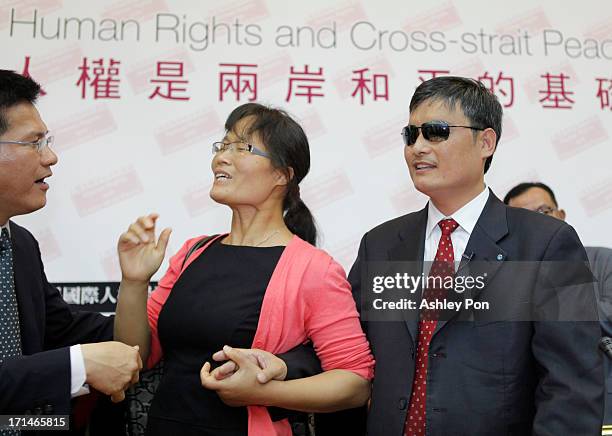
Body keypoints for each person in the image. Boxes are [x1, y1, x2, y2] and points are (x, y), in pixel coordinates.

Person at [340, 76, 603, 435]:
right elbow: (344, 355)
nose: (418, 147)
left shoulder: (546, 244)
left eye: (435, 132)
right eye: (410, 135)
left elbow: (572, 387)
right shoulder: (381, 244)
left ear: (486, 141)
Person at [113, 103, 374, 435]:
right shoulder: (193, 251)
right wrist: (134, 281)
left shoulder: (314, 269)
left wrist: (264, 392)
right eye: (222, 146)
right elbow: (134, 356)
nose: (221, 157)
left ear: (282, 175)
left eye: (242, 147)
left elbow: (354, 382)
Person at [0, 69, 142, 419]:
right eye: (34, 143)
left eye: (47, 142)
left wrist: (172, 315)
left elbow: (61, 331)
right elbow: (69, 356)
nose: (50, 157)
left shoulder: (19, 244)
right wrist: (77, 366)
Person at [504, 181, 612, 422]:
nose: (538, 223)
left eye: (543, 212)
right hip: (535, 408)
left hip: (603, 401)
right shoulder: (503, 282)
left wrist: (544, 309)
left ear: (561, 214)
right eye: (524, 218)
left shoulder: (603, 261)